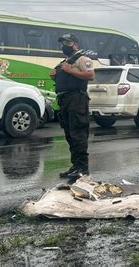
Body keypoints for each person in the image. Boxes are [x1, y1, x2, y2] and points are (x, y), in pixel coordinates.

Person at [50, 34, 94, 179]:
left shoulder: (83, 59)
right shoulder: (65, 61)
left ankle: (83, 168)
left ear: (75, 44)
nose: (64, 45)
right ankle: (75, 166)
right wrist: (55, 75)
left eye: (67, 42)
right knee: (70, 135)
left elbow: (89, 75)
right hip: (65, 99)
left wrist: (70, 70)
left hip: (77, 99)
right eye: (62, 42)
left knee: (78, 133)